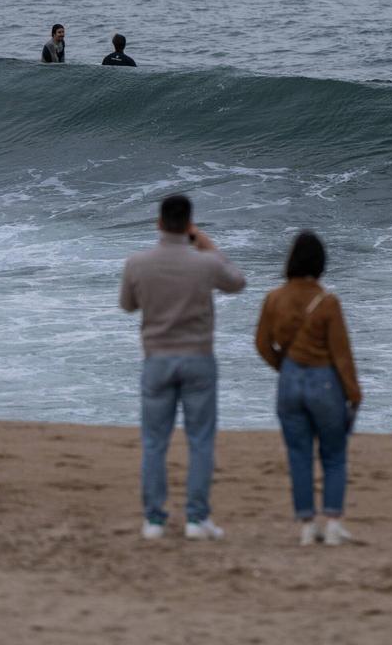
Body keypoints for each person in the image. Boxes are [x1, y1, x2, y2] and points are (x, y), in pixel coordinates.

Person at [119, 194, 246, 541]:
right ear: (189, 224)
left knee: (154, 442)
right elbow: (237, 282)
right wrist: (206, 244)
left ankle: (154, 521)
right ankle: (196, 519)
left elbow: (127, 306)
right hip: (198, 360)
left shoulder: (137, 263)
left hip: (157, 360)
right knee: (200, 441)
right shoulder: (204, 263)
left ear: (159, 223)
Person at [255, 231, 362, 547]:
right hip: (324, 383)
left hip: (289, 382)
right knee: (333, 454)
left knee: (299, 455)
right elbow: (342, 355)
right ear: (321, 264)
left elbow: (261, 344)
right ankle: (332, 525)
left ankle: (305, 526)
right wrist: (354, 394)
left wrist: (284, 367)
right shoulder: (328, 302)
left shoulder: (274, 298)